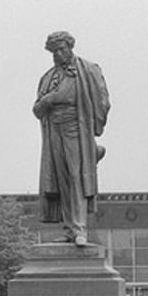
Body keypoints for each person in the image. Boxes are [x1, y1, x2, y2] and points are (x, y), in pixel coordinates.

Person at [33, 30, 111, 245]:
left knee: (77, 177)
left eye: (61, 49)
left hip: (76, 129)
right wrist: (49, 100)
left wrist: (94, 128)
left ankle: (79, 229)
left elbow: (103, 100)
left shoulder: (88, 69)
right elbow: (37, 110)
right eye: (53, 51)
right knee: (62, 180)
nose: (58, 54)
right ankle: (69, 229)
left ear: (70, 47)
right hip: (54, 131)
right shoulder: (48, 78)